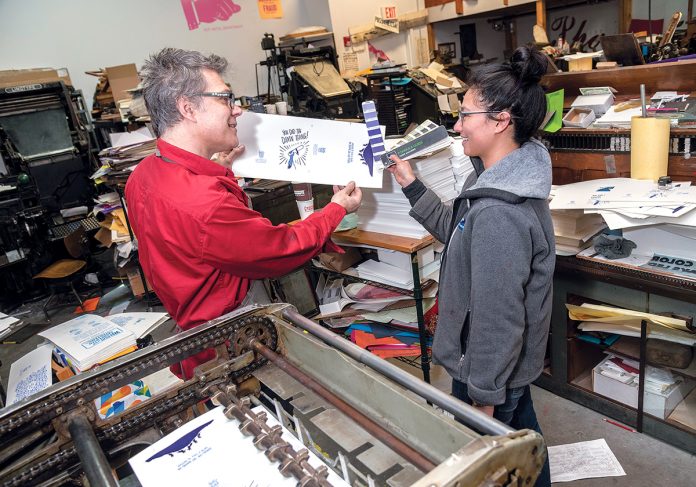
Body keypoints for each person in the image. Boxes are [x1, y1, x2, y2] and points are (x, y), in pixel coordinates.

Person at [125, 48, 362, 380]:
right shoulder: (202, 203)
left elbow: (194, 238)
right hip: (230, 344)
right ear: (188, 108)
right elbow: (280, 249)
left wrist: (218, 171)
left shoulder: (143, 175)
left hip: (191, 332)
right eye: (225, 98)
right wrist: (335, 210)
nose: (237, 109)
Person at [387, 46, 554, 486]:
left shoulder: (501, 211)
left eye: (465, 115)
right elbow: (460, 235)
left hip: (486, 369)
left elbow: (498, 317)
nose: (456, 126)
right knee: (524, 446)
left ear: (501, 120)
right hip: (497, 368)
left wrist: (484, 395)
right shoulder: (493, 179)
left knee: (501, 465)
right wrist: (411, 185)